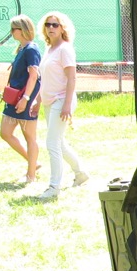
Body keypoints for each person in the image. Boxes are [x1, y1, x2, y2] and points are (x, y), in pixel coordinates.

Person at [36, 11, 88, 200]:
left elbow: (71, 78)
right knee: (60, 142)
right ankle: (81, 173)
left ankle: (54, 187)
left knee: (52, 144)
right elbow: (45, 79)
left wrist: (67, 104)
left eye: (55, 25)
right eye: (48, 24)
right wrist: (38, 100)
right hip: (50, 101)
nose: (50, 28)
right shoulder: (49, 49)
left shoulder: (65, 49)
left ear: (62, 28)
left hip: (61, 100)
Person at [0, 14, 41, 184]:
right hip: (14, 98)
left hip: (24, 99)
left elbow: (34, 76)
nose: (11, 33)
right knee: (5, 133)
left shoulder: (31, 49)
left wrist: (26, 99)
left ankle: (31, 175)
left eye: (13, 29)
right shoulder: (23, 48)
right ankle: (33, 164)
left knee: (29, 137)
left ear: (22, 30)